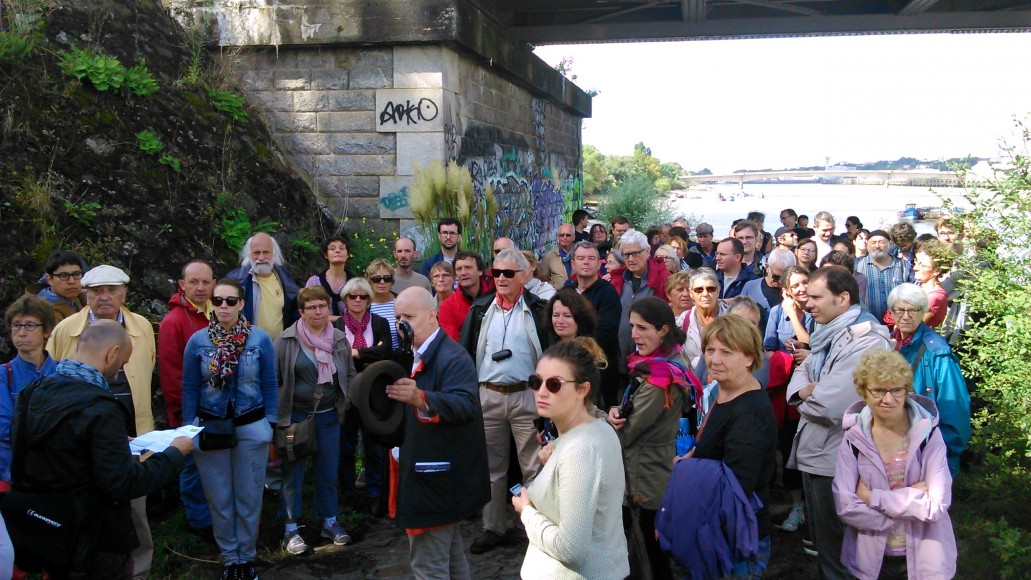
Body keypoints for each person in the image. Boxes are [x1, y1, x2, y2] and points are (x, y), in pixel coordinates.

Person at [5, 321, 192, 578]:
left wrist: (112, 443)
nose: (118, 372)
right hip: (93, 539)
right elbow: (122, 482)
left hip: (47, 531)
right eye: (122, 362)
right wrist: (174, 454)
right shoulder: (101, 407)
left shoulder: (32, 392)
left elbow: (33, 453)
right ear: (111, 353)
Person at [47, 264, 158, 578]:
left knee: (135, 512)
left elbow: (148, 369)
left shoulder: (142, 327)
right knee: (84, 510)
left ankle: (139, 572)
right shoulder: (65, 329)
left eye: (111, 290)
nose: (104, 297)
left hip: (134, 435)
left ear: (124, 293)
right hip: (79, 437)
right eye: (96, 291)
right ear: (85, 294)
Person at [786, 265, 892, 579]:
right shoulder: (827, 332)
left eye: (817, 297)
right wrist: (805, 389)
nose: (808, 303)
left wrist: (807, 393)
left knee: (841, 550)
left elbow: (828, 402)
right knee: (824, 544)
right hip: (817, 452)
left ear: (843, 298)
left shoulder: (867, 340)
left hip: (838, 459)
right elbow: (802, 377)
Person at [385, 287, 491, 579]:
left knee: (430, 566)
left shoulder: (452, 357)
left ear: (432, 315)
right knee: (452, 559)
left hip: (435, 479)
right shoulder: (412, 353)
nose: (402, 324)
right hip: (429, 475)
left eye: (409, 316)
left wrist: (421, 398)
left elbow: (466, 404)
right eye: (397, 317)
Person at [182, 278, 278, 580]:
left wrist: (270, 424)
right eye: (218, 300)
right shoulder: (198, 342)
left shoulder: (259, 340)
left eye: (231, 301)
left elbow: (269, 383)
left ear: (241, 303)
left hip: (252, 424)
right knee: (220, 498)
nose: (224, 306)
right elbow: (189, 387)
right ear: (211, 303)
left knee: (249, 498)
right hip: (210, 426)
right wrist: (188, 429)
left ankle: (247, 557)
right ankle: (230, 560)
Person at [834, 349, 957, 580]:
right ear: (863, 392)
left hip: (925, 561)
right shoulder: (853, 438)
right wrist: (909, 501)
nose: (888, 399)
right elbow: (845, 506)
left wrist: (874, 498)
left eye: (897, 390)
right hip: (871, 562)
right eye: (879, 390)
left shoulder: (928, 435)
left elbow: (937, 506)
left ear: (907, 390)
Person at [513, 338, 629, 579]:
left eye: (554, 384)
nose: (541, 392)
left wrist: (526, 512)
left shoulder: (579, 451)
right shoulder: (599, 429)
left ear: (582, 389)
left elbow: (570, 549)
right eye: (536, 382)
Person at [459, 249, 548, 554]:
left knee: (534, 466)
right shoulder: (481, 308)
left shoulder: (538, 309)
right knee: (491, 468)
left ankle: (540, 529)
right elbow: (467, 350)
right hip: (489, 395)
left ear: (523, 276)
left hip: (526, 395)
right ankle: (494, 527)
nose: (500, 278)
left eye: (508, 273)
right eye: (496, 273)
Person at [607, 297, 694, 580]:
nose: (634, 334)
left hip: (644, 474)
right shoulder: (660, 363)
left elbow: (629, 432)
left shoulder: (660, 379)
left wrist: (594, 416)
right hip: (649, 467)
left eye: (642, 328)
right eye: (632, 326)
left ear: (664, 330)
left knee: (647, 552)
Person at [692, 315, 778, 575]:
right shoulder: (726, 393)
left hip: (736, 541)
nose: (714, 359)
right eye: (710, 350)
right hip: (718, 531)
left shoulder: (749, 414)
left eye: (727, 352)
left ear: (750, 358)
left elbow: (736, 487)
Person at [275, 286, 356, 554]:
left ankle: (329, 521)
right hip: (295, 418)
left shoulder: (341, 339)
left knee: (327, 471)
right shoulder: (286, 341)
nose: (319, 311)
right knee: (293, 473)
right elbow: (274, 380)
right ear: (301, 311)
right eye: (312, 307)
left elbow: (349, 376)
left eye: (323, 306)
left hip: (329, 417)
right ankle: (290, 529)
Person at [887, 284, 970, 476]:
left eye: (913, 310)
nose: (905, 316)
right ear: (891, 312)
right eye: (899, 310)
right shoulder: (887, 343)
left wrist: (945, 458)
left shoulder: (938, 352)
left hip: (929, 452)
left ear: (923, 312)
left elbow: (955, 408)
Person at [157, 260, 215, 537]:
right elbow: (171, 374)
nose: (201, 287)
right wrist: (183, 413)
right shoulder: (174, 321)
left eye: (206, 282)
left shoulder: (217, 312)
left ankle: (213, 514)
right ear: (182, 285)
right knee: (192, 466)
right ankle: (199, 521)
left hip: (217, 407)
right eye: (194, 282)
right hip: (190, 410)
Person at [336, 277, 391, 511]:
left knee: (374, 446)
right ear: (345, 299)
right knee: (345, 447)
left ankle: (375, 495)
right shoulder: (337, 326)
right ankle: (347, 496)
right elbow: (337, 355)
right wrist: (371, 351)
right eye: (352, 296)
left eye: (363, 296)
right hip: (345, 392)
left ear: (369, 300)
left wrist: (356, 353)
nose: (358, 300)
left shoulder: (379, 323)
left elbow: (386, 351)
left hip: (372, 392)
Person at [1, 296, 58, 486]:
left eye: (30, 325)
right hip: (13, 471)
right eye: (16, 325)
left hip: (57, 471)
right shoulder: (4, 374)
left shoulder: (62, 372)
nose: (21, 332)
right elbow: (5, 427)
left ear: (47, 331)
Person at [608, 229, 671, 377]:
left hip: (652, 357)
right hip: (619, 354)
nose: (631, 259)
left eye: (635, 253)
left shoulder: (663, 279)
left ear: (648, 251)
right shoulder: (617, 279)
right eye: (626, 255)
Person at [570, 241, 623, 408]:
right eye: (580, 258)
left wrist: (571, 347)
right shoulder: (567, 292)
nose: (586, 262)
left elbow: (603, 334)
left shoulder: (607, 293)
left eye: (591, 258)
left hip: (600, 374)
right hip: (570, 370)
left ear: (600, 264)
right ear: (573, 263)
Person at [227, 232, 300, 340]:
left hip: (279, 349)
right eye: (256, 252)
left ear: (274, 254)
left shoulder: (284, 278)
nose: (261, 257)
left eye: (266, 252)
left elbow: (294, 310)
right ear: (249, 255)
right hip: (247, 349)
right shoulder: (235, 281)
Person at [855, 229, 912, 323]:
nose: (877, 246)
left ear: (889, 244)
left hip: (897, 325)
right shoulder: (857, 265)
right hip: (866, 325)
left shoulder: (904, 266)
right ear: (868, 244)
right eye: (873, 242)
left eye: (881, 242)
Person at [437, 251, 493, 341]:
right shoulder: (447, 307)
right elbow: (452, 345)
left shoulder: (495, 299)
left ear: (480, 271)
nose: (463, 273)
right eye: (459, 269)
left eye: (468, 267)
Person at [683, 268, 729, 366]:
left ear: (718, 290)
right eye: (698, 290)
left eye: (710, 289)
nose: (705, 294)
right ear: (691, 293)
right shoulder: (681, 322)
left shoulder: (733, 319)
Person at [25, 250, 88, 321]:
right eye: (63, 275)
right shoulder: (43, 312)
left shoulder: (75, 298)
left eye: (76, 274)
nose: (72, 281)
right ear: (50, 279)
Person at [764, 265, 814, 353]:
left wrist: (792, 315)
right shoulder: (777, 312)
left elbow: (811, 345)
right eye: (795, 286)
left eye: (805, 282)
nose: (802, 289)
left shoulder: (818, 310)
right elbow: (769, 349)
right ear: (786, 291)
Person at [305, 236, 351, 318]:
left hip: (349, 330)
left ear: (348, 254)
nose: (337, 251)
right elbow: (309, 311)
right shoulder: (314, 282)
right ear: (326, 255)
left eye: (342, 248)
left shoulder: (355, 283)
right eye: (332, 249)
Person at [910, 239, 951, 328]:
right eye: (916, 262)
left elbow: (910, 327)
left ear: (937, 271)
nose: (915, 268)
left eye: (923, 265)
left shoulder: (935, 296)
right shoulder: (921, 286)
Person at [366, 258, 400, 349]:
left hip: (400, 358)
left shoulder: (401, 301)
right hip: (375, 359)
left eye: (387, 278)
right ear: (370, 282)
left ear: (392, 281)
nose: (382, 282)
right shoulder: (364, 306)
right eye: (377, 279)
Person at [539, 223, 576, 289]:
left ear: (573, 237)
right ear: (557, 237)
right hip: (558, 295)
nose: (564, 237)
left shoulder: (579, 253)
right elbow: (543, 279)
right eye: (562, 235)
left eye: (568, 235)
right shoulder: (549, 256)